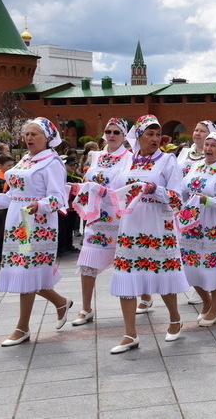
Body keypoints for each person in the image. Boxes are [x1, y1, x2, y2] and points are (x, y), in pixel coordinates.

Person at [0, 118, 72, 346]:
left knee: (26, 272)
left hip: (37, 224)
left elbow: (58, 197)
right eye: (27, 134)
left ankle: (22, 328)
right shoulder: (25, 159)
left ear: (48, 138)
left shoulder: (52, 162)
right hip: (17, 222)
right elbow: (14, 195)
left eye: (35, 134)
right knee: (25, 272)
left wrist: (38, 205)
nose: (29, 138)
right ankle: (60, 302)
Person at [109, 114, 188, 354]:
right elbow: (115, 190)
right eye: (149, 134)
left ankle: (175, 318)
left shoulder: (167, 160)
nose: (154, 139)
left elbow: (178, 197)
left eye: (157, 134)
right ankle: (129, 333)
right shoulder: (126, 161)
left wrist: (155, 189)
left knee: (163, 275)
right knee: (127, 276)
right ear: (138, 136)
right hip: (131, 225)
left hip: (157, 225)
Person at [71, 118, 131, 327]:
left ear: (124, 136)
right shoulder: (96, 156)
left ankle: (145, 297)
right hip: (96, 218)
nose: (112, 135)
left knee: (129, 262)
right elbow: (89, 181)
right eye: (108, 131)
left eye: (116, 132)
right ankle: (86, 308)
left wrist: (105, 191)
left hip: (120, 218)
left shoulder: (129, 158)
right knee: (88, 262)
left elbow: (129, 188)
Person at [179, 132, 216, 326]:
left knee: (214, 267)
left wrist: (207, 200)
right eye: (206, 144)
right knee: (190, 266)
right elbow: (184, 188)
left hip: (215, 225)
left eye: (213, 145)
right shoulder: (196, 166)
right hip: (193, 224)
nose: (208, 149)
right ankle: (206, 301)